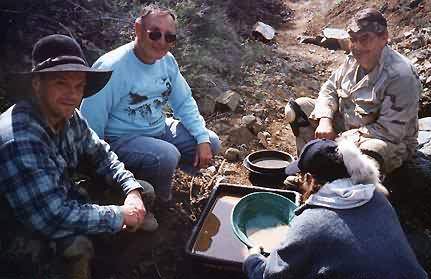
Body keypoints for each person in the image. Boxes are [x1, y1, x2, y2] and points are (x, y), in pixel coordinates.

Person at [0, 34, 158, 278]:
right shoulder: (19, 138)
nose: (72, 95)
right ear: (37, 84)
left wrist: (131, 191)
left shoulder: (70, 115)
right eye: (61, 83)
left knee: (143, 190)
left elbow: (102, 154)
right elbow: (51, 216)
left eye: (78, 86)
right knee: (77, 249)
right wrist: (119, 215)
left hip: (63, 199)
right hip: (22, 227)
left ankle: (112, 254)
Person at [80, 4, 221, 205]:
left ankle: (159, 178)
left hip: (158, 129)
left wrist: (201, 138)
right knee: (166, 155)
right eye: (155, 34)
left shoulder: (167, 61)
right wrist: (98, 167)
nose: (162, 42)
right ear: (138, 29)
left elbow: (183, 101)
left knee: (211, 141)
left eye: (169, 37)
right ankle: (155, 201)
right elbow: (90, 123)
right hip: (120, 140)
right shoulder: (111, 68)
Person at [243, 138, 428, 279]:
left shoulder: (312, 223)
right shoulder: (376, 198)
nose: (299, 182)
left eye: (300, 177)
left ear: (309, 179)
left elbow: (272, 275)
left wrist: (252, 260)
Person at [284, 8, 422, 175]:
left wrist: (341, 140)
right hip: (347, 125)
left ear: (384, 37)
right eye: (353, 39)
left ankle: (351, 195)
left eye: (365, 39)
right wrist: (325, 120)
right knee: (297, 108)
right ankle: (308, 171)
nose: (357, 46)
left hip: (386, 141)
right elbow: (330, 88)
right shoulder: (353, 60)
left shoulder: (401, 76)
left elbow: (390, 131)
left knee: (367, 152)